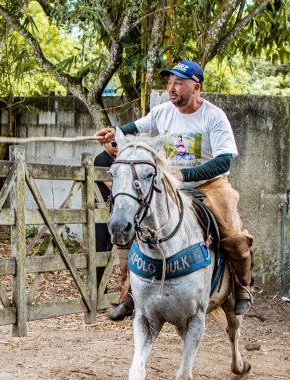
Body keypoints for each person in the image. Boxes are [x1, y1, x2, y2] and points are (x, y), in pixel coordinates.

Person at [95, 60, 254, 316]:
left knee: (233, 236)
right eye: (170, 82)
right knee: (144, 223)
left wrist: (186, 174)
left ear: (196, 87)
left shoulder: (214, 116)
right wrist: (114, 132)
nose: (172, 88)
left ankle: (242, 285)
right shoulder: (162, 111)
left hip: (209, 185)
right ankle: (133, 294)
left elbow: (225, 160)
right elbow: (137, 127)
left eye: (179, 83)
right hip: (170, 185)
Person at [93, 140, 136, 320]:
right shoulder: (101, 159)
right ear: (104, 144)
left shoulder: (123, 159)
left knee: (125, 256)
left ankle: (127, 296)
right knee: (101, 248)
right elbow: (112, 185)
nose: (116, 145)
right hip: (104, 210)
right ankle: (97, 289)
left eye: (119, 142)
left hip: (121, 212)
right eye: (113, 142)